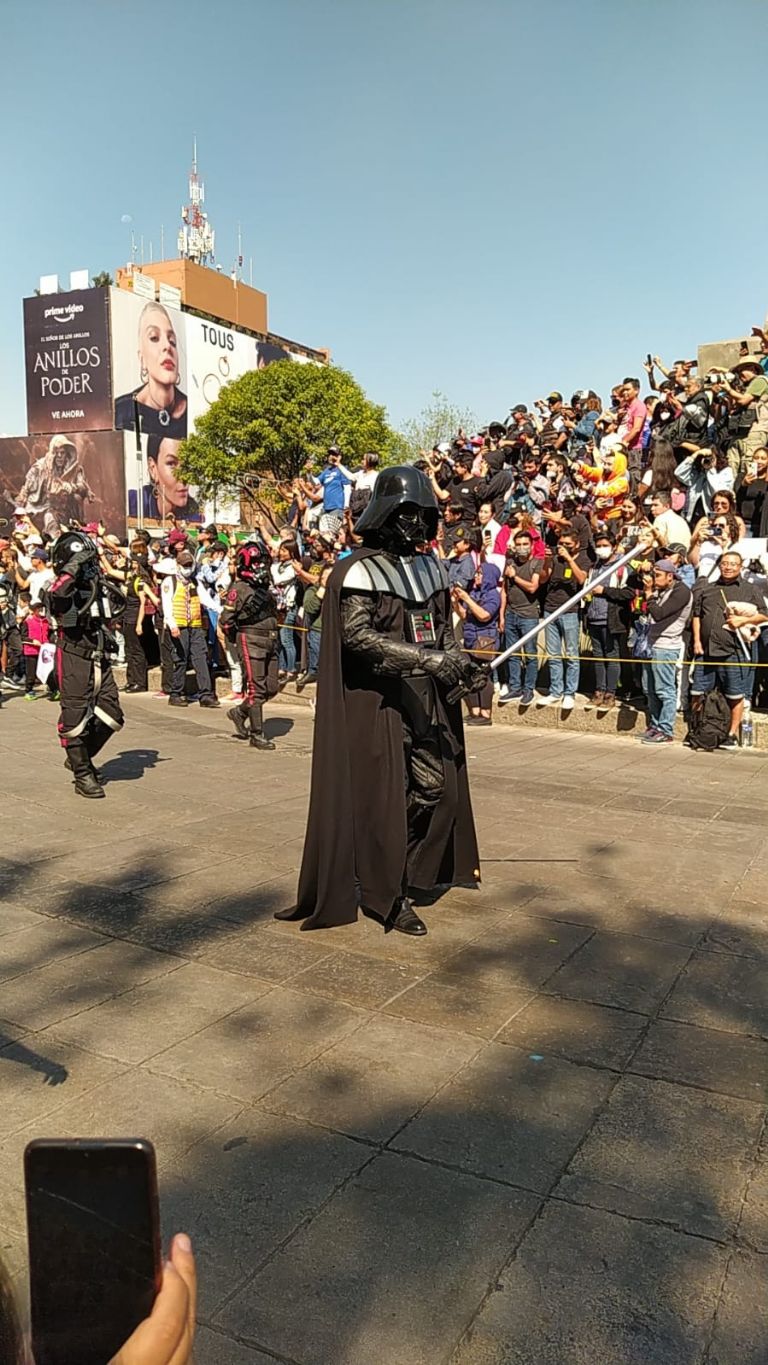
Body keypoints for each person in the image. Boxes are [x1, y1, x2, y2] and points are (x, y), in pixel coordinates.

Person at [275, 465, 482, 938]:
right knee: (383, 795)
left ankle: (396, 871)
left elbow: (438, 630)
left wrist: (461, 662)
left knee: (437, 789)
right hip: (375, 702)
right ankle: (387, 890)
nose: (419, 525)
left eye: (424, 514)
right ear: (388, 513)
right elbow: (358, 638)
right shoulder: (358, 570)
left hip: (422, 697)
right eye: (409, 514)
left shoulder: (430, 565)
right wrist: (429, 662)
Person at [48, 530, 125, 797]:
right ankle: (83, 773)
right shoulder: (59, 585)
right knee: (74, 716)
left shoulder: (95, 585)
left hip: (98, 655)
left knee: (112, 714)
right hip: (72, 656)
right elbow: (57, 597)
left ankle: (79, 756)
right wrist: (74, 567)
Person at [690, 550, 768, 748]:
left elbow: (764, 615)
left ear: (740, 566)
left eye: (733, 564)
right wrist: (697, 641)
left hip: (735, 650)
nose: (728, 567)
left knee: (735, 694)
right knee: (698, 692)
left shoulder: (750, 589)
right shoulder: (708, 588)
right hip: (706, 651)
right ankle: (698, 730)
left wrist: (744, 620)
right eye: (725, 563)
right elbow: (697, 615)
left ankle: (731, 734)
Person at [221, 541, 280, 750]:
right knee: (257, 688)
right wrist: (237, 638)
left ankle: (239, 712)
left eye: (263, 562)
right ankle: (257, 734)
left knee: (271, 687)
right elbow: (226, 620)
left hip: (271, 640)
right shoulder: (239, 589)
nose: (261, 567)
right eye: (257, 562)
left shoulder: (267, 587)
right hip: (251, 639)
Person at [114, 303, 188, 439]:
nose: (167, 346)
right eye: (154, 338)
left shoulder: (193, 411)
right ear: (142, 359)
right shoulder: (120, 412)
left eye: (172, 341)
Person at [639, 558, 692, 745]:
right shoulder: (662, 589)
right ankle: (654, 725)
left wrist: (649, 594)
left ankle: (666, 729)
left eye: (658, 575)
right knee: (650, 689)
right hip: (652, 643)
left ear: (670, 576)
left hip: (667, 646)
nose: (654, 578)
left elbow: (659, 613)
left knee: (664, 690)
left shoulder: (681, 591)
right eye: (653, 574)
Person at [537, 530, 590, 710]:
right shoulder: (555, 558)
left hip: (570, 611)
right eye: (561, 543)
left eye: (567, 544)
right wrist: (546, 560)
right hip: (551, 609)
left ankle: (570, 692)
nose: (563, 547)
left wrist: (569, 559)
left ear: (576, 544)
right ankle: (555, 691)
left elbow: (582, 578)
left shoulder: (582, 559)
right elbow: (543, 579)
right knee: (553, 654)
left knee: (572, 654)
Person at [160, 550, 219, 709]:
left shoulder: (195, 582)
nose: (187, 568)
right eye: (184, 565)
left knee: (200, 658)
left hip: (195, 626)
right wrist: (171, 624)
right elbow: (166, 604)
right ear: (178, 565)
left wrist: (220, 609)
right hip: (178, 626)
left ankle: (205, 694)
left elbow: (205, 599)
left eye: (189, 565)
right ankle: (176, 693)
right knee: (180, 659)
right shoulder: (169, 582)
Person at [583, 531, 632, 712]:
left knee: (612, 657)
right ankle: (599, 690)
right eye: (599, 546)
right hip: (593, 617)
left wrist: (605, 591)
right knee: (598, 657)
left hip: (611, 619)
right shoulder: (593, 567)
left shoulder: (621, 568)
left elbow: (628, 593)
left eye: (605, 545)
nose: (601, 549)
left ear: (612, 546)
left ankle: (611, 692)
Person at [453, 560, 501, 726]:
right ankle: (474, 711)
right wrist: (456, 602)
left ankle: (486, 713)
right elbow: (465, 615)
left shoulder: (493, 594)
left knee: (483, 675)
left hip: (485, 639)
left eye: (480, 574)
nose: (477, 576)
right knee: (469, 674)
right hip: (470, 638)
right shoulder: (474, 592)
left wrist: (467, 598)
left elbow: (484, 615)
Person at [498, 528, 543, 704]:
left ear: (531, 546)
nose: (522, 547)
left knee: (530, 654)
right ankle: (515, 687)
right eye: (518, 544)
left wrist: (515, 576)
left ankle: (528, 689)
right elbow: (504, 591)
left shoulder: (536, 563)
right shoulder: (509, 562)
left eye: (525, 544)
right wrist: (502, 615)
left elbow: (533, 587)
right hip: (511, 614)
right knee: (512, 654)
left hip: (528, 615)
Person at [129, 437, 201, 523]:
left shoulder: (195, 515)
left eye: (187, 464)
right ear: (153, 468)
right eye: (171, 463)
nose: (184, 477)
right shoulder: (133, 504)